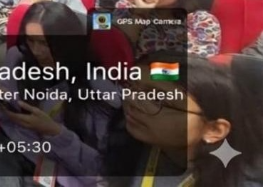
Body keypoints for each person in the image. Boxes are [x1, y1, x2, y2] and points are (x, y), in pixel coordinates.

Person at [0, 2, 119, 186]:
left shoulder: (98, 88)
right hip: (10, 146)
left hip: (61, 168)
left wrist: (54, 132)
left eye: (44, 43)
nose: (37, 51)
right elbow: (3, 117)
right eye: (31, 41)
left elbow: (100, 169)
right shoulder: (18, 57)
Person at [104, 53, 262, 186]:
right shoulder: (129, 138)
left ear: (214, 129)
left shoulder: (241, 180)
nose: (132, 101)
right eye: (131, 87)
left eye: (158, 100)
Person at [114, 0, 221, 58]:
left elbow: (201, 60)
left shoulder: (201, 20)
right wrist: (140, 13)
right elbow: (114, 44)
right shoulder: (125, 6)